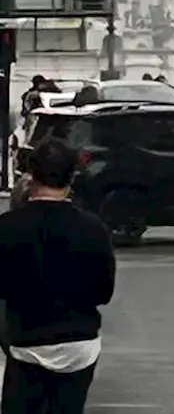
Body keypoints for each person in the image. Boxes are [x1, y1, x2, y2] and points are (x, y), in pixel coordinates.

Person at [0, 137, 116, 413]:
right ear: (72, 177)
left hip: (27, 341)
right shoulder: (93, 228)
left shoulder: (7, 227)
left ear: (31, 175)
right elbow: (104, 291)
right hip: (79, 345)